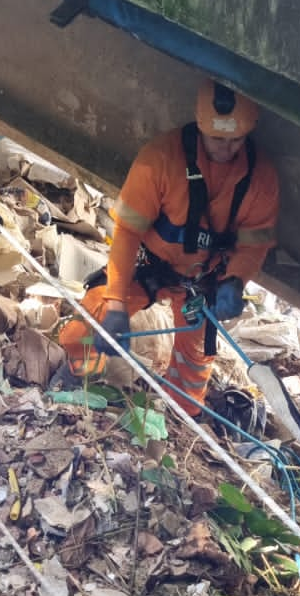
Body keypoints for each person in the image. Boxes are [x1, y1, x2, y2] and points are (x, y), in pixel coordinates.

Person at [57, 79, 279, 416]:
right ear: (200, 127)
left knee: (195, 363)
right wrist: (116, 300)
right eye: (217, 139)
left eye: (236, 141)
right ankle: (76, 389)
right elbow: (128, 234)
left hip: (204, 281)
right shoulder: (159, 161)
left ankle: (182, 417)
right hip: (151, 265)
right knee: (86, 325)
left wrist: (235, 280)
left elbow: (253, 245)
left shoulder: (261, 180)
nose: (225, 149)